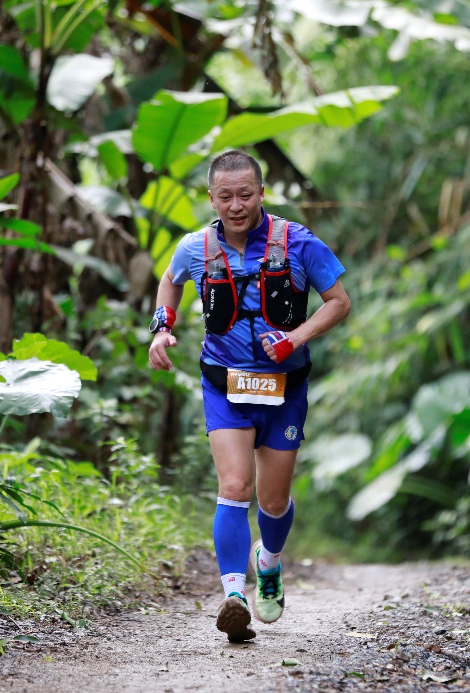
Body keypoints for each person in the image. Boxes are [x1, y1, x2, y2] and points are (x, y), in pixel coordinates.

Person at [148, 150, 351, 642]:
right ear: (212, 198)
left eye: (245, 194)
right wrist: (161, 329)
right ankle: (234, 595)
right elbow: (169, 283)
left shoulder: (299, 242)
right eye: (225, 196)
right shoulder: (194, 247)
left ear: (261, 193)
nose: (236, 205)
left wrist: (294, 338)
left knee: (273, 499)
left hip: (285, 387)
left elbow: (339, 303)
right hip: (225, 383)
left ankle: (270, 561)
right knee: (235, 487)